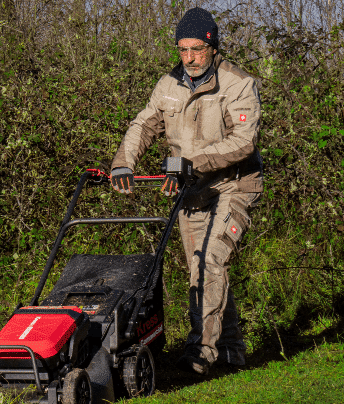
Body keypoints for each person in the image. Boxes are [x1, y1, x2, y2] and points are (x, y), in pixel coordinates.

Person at [103, 7, 263, 375]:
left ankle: (199, 355)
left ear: (212, 46)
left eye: (196, 50)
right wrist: (123, 162)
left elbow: (243, 142)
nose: (188, 58)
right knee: (202, 267)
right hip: (192, 192)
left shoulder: (238, 84)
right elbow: (144, 124)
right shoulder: (167, 85)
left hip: (233, 185)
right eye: (182, 50)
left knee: (209, 261)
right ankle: (232, 351)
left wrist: (193, 161)